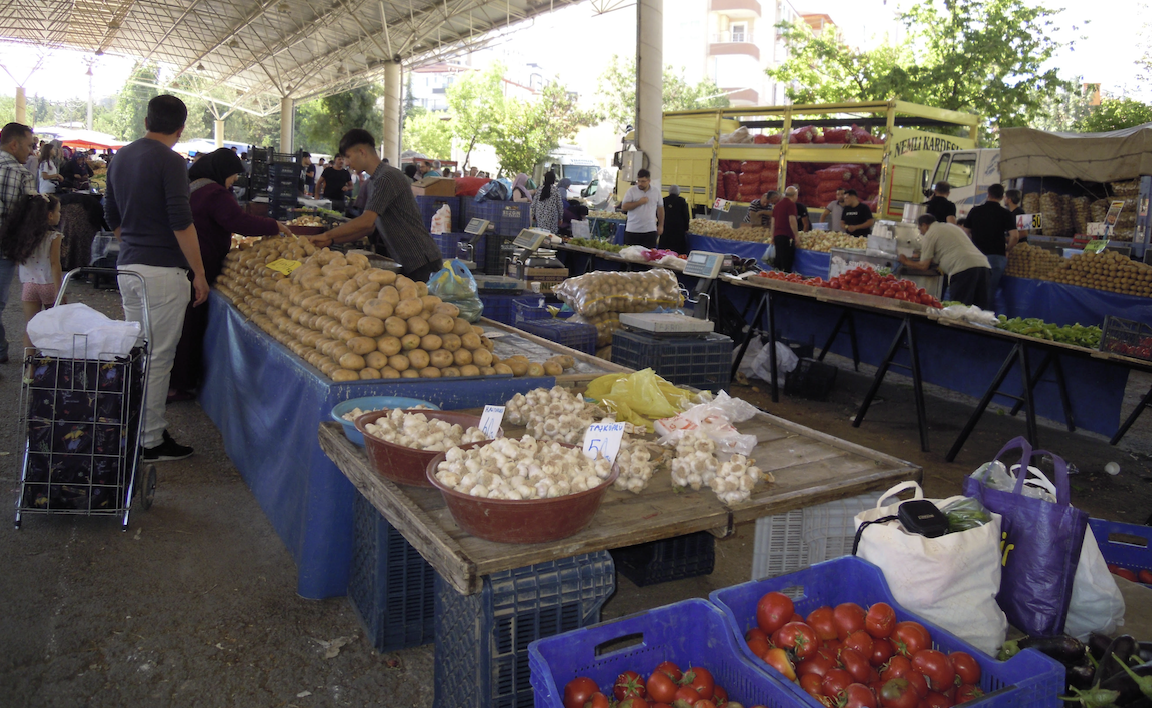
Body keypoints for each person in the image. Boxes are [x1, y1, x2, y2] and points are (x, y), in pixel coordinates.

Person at [104, 95, 209, 462]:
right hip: (162, 273)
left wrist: (133, 242)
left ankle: (136, 429)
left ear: (146, 119)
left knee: (139, 353)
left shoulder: (121, 156)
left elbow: (110, 214)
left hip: (128, 268)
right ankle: (149, 441)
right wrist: (199, 272)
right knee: (158, 358)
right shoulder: (172, 161)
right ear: (180, 130)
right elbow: (181, 221)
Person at [169, 148, 294, 400]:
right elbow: (238, 222)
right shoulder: (215, 192)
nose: (235, 179)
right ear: (222, 171)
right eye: (233, 174)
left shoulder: (193, 185)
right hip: (200, 264)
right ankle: (177, 385)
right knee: (189, 327)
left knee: (180, 325)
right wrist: (274, 225)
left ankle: (172, 382)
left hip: (183, 261)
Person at [309, 129, 442, 285]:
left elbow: (366, 221)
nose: (346, 163)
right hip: (407, 261)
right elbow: (368, 229)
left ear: (362, 152)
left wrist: (327, 235)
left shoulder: (387, 177)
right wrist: (331, 241)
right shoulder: (373, 182)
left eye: (348, 157)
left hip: (421, 261)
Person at [0, 194, 63, 350]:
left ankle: (28, 369)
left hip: (29, 286)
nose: (59, 215)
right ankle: (49, 362)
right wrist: (59, 288)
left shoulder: (23, 238)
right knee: (54, 325)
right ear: (49, 215)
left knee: (30, 326)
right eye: (58, 212)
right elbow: (55, 264)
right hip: (48, 285)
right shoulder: (54, 237)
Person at [0, 122, 38, 365]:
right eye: (28, 146)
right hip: (5, 249)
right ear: (14, 145)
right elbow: (34, 218)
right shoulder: (22, 174)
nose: (31, 151)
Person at [899, 214, 991, 309]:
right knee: (980, 310)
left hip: (963, 270)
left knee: (959, 309)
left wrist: (905, 261)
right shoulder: (950, 226)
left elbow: (923, 266)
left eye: (920, 229)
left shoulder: (930, 234)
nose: (921, 233)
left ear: (925, 225)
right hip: (984, 266)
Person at [964, 183, 1019, 303]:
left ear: (988, 194)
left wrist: (970, 248)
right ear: (1001, 197)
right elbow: (1015, 236)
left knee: (972, 290)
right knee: (988, 292)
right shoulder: (1006, 213)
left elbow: (964, 233)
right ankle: (984, 319)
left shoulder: (975, 211)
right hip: (996, 256)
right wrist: (1008, 249)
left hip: (975, 256)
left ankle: (967, 317)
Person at [620, 169, 664, 247]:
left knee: (649, 256)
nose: (640, 183)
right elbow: (624, 207)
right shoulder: (631, 191)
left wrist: (661, 225)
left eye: (643, 181)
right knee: (631, 256)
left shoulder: (656, 191)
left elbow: (660, 209)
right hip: (633, 229)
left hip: (650, 230)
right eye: (638, 181)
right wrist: (639, 202)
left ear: (649, 181)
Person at [772, 187, 800, 273]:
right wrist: (796, 236)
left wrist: (772, 236)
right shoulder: (791, 204)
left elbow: (773, 222)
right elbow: (792, 220)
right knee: (786, 264)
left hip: (777, 236)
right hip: (786, 237)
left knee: (779, 262)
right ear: (795, 195)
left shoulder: (777, 205)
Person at [660, 184, 691, 254]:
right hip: (678, 229)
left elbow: (658, 212)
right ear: (678, 192)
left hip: (666, 227)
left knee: (665, 248)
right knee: (678, 249)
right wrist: (686, 228)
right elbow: (686, 215)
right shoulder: (681, 201)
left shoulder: (664, 200)